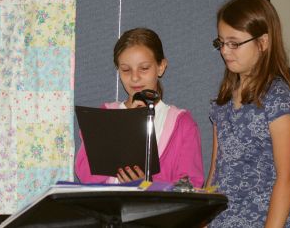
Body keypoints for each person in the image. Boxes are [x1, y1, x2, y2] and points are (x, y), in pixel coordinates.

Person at [206, 0, 290, 227]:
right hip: (223, 220)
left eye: (234, 43)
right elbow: (216, 170)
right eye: (221, 43)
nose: (225, 51)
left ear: (263, 42)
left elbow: (287, 177)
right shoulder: (223, 101)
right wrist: (203, 219)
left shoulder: (277, 97)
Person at [75, 28, 204, 187]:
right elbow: (85, 174)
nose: (135, 78)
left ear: (161, 67)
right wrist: (126, 125)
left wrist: (148, 184)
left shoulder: (182, 123)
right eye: (126, 70)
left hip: (157, 211)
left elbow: (191, 185)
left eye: (144, 68)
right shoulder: (105, 116)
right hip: (110, 209)